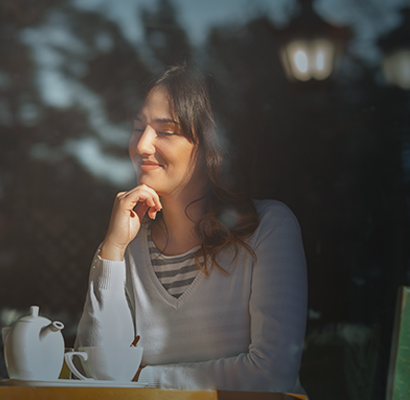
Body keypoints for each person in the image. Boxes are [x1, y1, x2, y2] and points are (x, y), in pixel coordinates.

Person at [75, 65, 308, 394]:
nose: (142, 145)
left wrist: (143, 379)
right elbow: (95, 377)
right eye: (137, 127)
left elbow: (272, 373)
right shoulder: (129, 244)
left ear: (211, 145)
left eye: (165, 131)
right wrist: (112, 250)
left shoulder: (268, 227)